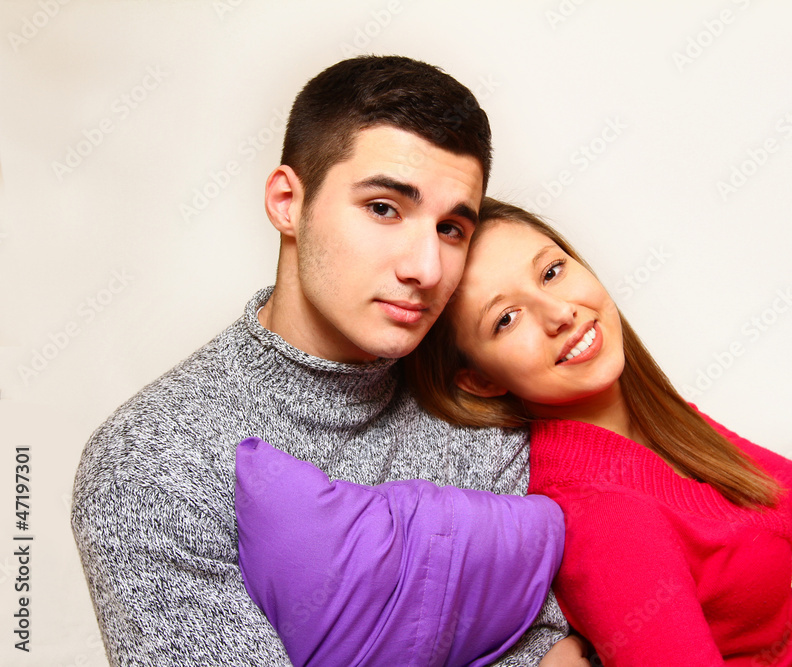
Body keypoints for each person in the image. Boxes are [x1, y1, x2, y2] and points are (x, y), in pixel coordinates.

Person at [71, 56, 584, 666]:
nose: (423, 268)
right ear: (288, 201)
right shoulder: (153, 457)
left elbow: (552, 646)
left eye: (451, 229)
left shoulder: (477, 404)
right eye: (384, 209)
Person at [406, 197, 792, 666]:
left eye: (553, 272)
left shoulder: (653, 420)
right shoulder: (604, 518)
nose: (559, 313)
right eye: (506, 319)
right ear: (480, 380)